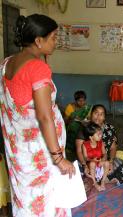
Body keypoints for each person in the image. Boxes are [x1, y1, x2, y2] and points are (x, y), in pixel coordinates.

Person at [0, 14, 75, 216]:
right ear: (38, 40)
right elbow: (44, 116)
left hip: (20, 154)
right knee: (45, 201)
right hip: (41, 155)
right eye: (53, 38)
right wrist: (59, 159)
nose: (56, 42)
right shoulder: (37, 68)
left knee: (26, 198)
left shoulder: (7, 63)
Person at [76, 104, 123, 185]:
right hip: (87, 161)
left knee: (122, 165)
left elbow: (113, 148)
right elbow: (79, 151)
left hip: (103, 161)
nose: (98, 116)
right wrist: (84, 166)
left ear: (104, 117)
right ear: (91, 114)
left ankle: (97, 180)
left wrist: (111, 161)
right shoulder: (84, 128)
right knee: (76, 170)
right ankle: (104, 179)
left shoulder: (109, 128)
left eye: (101, 114)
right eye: (96, 113)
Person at [82, 122, 111, 191]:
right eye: (98, 134)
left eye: (101, 133)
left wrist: (103, 160)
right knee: (92, 164)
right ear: (91, 137)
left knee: (107, 163)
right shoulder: (85, 145)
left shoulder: (101, 143)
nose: (101, 136)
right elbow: (85, 158)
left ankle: (103, 181)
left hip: (100, 164)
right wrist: (92, 160)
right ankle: (95, 182)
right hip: (91, 166)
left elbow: (105, 154)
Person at [65, 91, 92, 160]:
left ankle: (83, 148)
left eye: (83, 101)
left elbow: (89, 118)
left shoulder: (86, 108)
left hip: (83, 125)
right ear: (75, 100)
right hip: (71, 126)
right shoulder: (70, 107)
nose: (82, 103)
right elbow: (65, 120)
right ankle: (71, 147)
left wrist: (87, 121)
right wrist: (72, 118)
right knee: (74, 126)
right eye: (79, 101)